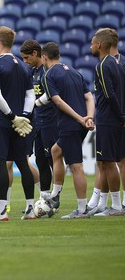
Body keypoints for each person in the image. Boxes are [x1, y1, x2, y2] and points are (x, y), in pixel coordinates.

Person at [0, 26, 36, 221]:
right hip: (20, 122)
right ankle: (30, 208)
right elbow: (30, 95)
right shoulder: (24, 66)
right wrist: (23, 116)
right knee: (22, 163)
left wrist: (12, 116)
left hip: (1, 121)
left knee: (0, 164)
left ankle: (2, 210)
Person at [39, 42, 95, 218]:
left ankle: (82, 209)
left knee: (76, 166)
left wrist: (79, 118)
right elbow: (88, 97)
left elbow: (57, 101)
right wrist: (89, 117)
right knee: (56, 151)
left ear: (44, 57)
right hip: (80, 123)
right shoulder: (74, 71)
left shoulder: (48, 75)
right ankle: (55, 195)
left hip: (70, 124)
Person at [88, 30, 125, 216]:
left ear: (100, 45)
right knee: (106, 161)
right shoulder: (117, 64)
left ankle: (117, 206)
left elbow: (110, 94)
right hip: (114, 120)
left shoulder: (102, 65)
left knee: (109, 162)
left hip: (108, 120)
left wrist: (120, 116)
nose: (91, 47)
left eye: (93, 43)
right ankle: (107, 204)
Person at [20, 40, 57, 202]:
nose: (25, 61)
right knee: (40, 160)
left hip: (51, 121)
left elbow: (52, 95)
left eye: (27, 57)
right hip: (38, 122)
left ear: (36, 54)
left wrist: (36, 103)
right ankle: (45, 197)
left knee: (52, 160)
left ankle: (56, 195)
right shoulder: (33, 71)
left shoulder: (47, 71)